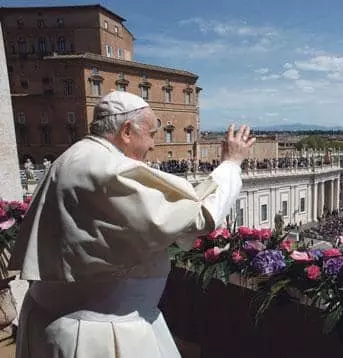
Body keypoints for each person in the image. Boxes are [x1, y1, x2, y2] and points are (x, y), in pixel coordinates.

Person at [9, 91, 256, 358]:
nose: (152, 145)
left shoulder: (72, 158)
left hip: (58, 320)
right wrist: (231, 164)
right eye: (151, 134)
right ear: (127, 131)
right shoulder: (107, 169)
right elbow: (197, 218)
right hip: (98, 334)